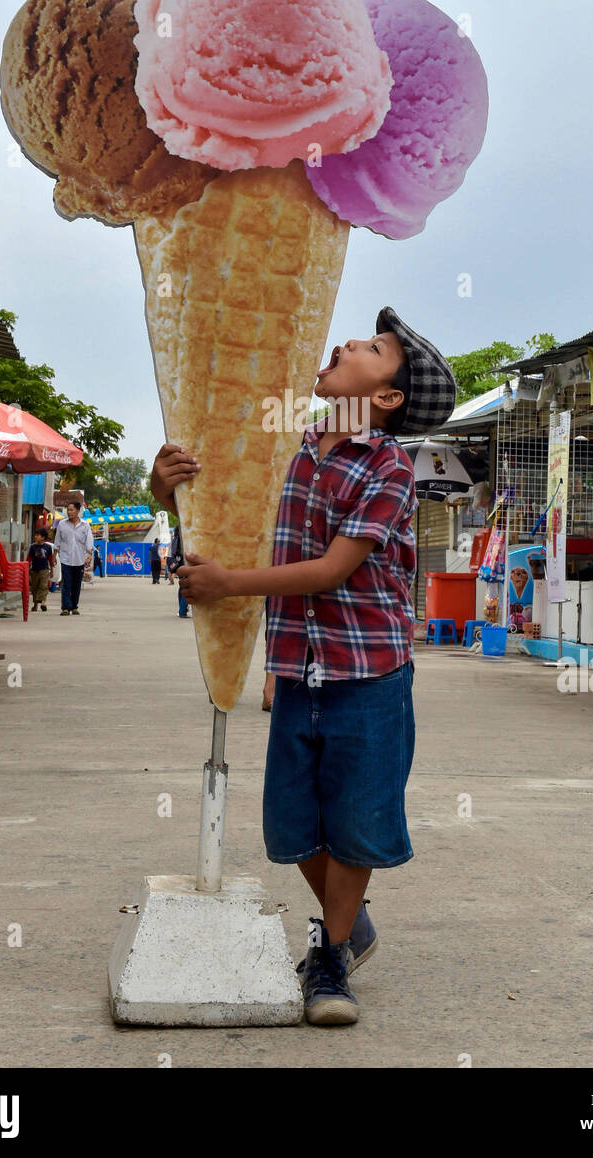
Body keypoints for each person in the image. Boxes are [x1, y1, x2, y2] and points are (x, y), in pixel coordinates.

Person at [151, 308, 455, 1028]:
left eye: (371, 348)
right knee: (291, 827)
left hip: (369, 670)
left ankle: (332, 953)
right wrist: (162, 488)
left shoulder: (386, 466)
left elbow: (329, 572)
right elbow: (211, 508)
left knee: (354, 818)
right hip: (296, 666)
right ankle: (352, 924)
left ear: (384, 398)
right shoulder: (284, 447)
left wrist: (228, 585)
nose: (346, 342)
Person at [53, 500, 93, 615]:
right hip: (65, 559)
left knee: (76, 584)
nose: (69, 512)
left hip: (79, 559)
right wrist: (54, 556)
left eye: (71, 510)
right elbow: (57, 541)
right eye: (68, 510)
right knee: (66, 584)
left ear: (78, 511)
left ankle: (74, 606)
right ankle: (65, 607)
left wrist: (89, 554)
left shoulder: (85, 525)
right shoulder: (62, 524)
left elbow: (89, 541)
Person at [26, 527, 54, 612]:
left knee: (43, 586)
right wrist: (26, 570)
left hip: (44, 569)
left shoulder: (48, 547)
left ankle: (43, 603)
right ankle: (35, 605)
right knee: (34, 587)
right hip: (34, 570)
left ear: (43, 537)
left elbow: (50, 559)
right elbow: (29, 559)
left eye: (38, 535)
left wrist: (52, 570)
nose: (35, 537)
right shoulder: (33, 547)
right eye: (35, 535)